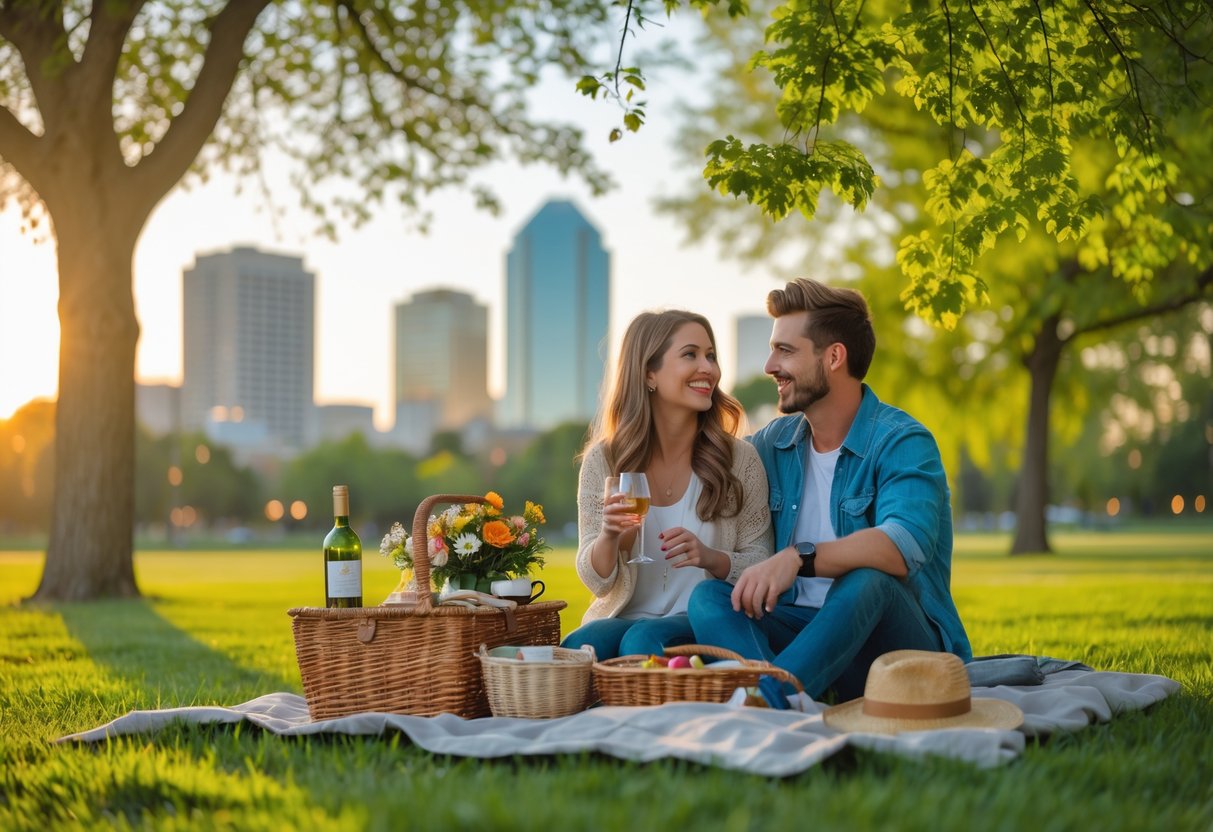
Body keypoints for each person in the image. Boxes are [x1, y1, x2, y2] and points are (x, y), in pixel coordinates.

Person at [687, 278, 971, 701]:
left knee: (867, 580)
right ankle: (778, 692)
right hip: (801, 628)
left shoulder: (903, 442)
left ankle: (769, 699)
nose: (769, 366)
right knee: (708, 598)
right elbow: (702, 458)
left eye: (785, 350)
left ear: (834, 356)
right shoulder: (773, 444)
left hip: (896, 651)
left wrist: (797, 558)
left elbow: (902, 544)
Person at [562, 310, 774, 659]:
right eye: (690, 354)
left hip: (698, 620)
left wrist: (711, 558)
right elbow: (596, 581)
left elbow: (760, 560)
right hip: (623, 616)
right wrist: (610, 537)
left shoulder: (739, 460)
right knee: (579, 646)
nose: (708, 368)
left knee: (643, 643)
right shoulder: (603, 460)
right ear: (650, 373)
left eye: (711, 356)